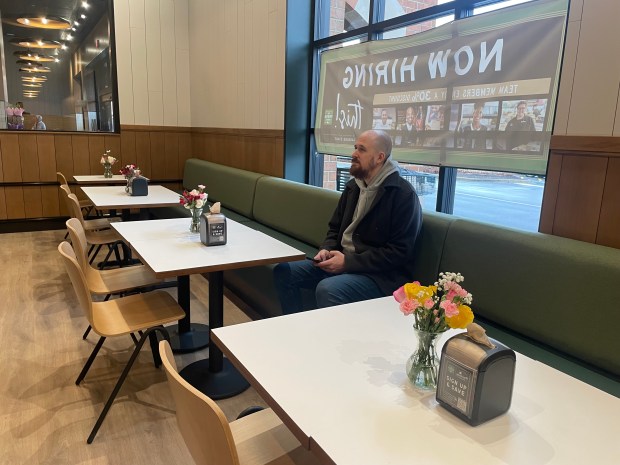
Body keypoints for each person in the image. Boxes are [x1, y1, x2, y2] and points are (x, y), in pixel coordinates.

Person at [273, 129, 423, 314]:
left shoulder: (402, 195)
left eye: (361, 149)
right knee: (284, 271)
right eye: (355, 148)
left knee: (328, 289)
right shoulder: (354, 187)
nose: (353, 154)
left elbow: (399, 253)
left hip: (379, 276)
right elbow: (334, 228)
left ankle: (331, 341)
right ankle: (294, 327)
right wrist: (326, 249)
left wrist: (348, 262)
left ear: (379, 157)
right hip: (344, 262)